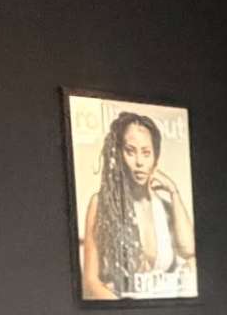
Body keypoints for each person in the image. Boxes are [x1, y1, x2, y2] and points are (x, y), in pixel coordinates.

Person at [78, 107, 195, 300]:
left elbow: (189, 250)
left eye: (146, 153)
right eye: (130, 152)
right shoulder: (101, 204)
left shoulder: (165, 206)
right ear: (118, 154)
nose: (139, 161)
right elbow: (90, 282)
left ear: (155, 157)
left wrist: (174, 192)